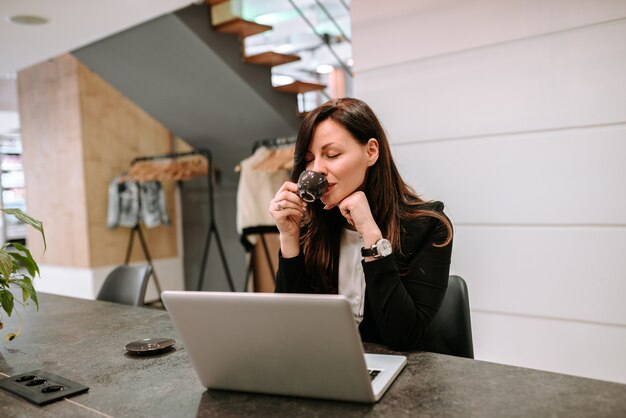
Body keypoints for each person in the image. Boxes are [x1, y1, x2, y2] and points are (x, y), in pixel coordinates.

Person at [269, 98, 453, 352]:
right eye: (309, 159)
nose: (316, 169)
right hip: (330, 368)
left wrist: (371, 236)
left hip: (406, 377)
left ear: (371, 152)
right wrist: (289, 237)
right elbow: (290, 331)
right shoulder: (309, 226)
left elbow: (403, 338)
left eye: (331, 154)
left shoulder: (428, 226)